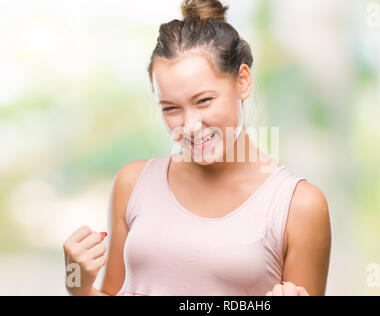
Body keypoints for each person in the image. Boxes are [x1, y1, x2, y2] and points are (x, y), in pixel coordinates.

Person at [63, 0, 332, 296]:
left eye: (204, 101)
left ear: (243, 81)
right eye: (171, 108)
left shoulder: (299, 206)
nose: (190, 126)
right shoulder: (132, 183)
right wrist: (79, 286)